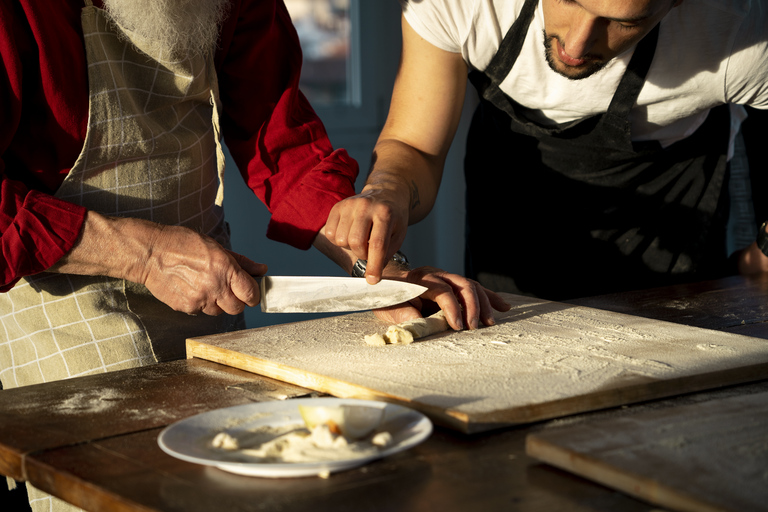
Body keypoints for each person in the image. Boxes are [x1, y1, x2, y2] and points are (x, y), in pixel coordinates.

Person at [1, 0, 509, 510]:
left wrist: (376, 270)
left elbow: (279, 138)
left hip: (210, 296)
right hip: (63, 309)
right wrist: (147, 256)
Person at [323, 0, 768, 301]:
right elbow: (414, 144)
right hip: (512, 214)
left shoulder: (738, 32)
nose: (576, 45)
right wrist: (387, 191)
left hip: (670, 235)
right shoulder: (465, 4)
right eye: (571, 0)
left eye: (624, 21)